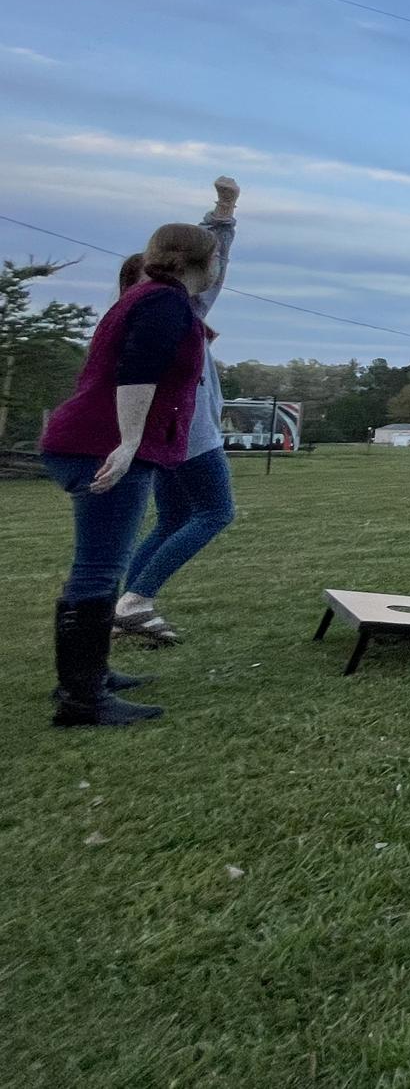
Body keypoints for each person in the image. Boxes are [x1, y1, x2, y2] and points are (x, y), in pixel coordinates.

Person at [40, 221, 220, 726]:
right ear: (200, 264)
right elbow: (137, 371)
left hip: (88, 442)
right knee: (98, 569)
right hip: (100, 447)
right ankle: (82, 700)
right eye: (216, 260)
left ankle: (87, 679)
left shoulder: (147, 298)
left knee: (98, 566)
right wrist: (128, 443)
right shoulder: (163, 303)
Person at [111, 177, 244, 647]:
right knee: (215, 512)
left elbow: (212, 260)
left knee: (172, 519)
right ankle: (135, 601)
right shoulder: (173, 307)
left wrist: (224, 212)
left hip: (163, 434)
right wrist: (224, 214)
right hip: (186, 433)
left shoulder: (137, 309)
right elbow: (214, 263)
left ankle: (120, 605)